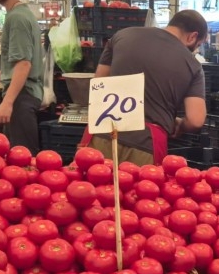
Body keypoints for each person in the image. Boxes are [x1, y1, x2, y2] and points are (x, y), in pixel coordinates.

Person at [89, 10, 208, 166]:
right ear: (192, 37)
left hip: (103, 132)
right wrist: (179, 124)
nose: (194, 50)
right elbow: (196, 120)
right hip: (146, 144)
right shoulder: (193, 66)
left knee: (95, 186)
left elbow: (99, 82)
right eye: (197, 45)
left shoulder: (122, 35)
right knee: (139, 189)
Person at [0, 0, 44, 152]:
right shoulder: (22, 14)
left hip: (22, 96)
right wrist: (2, 75)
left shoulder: (17, 18)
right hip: (25, 93)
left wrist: (8, 102)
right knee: (21, 158)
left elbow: (24, 64)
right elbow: (27, 59)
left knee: (22, 161)